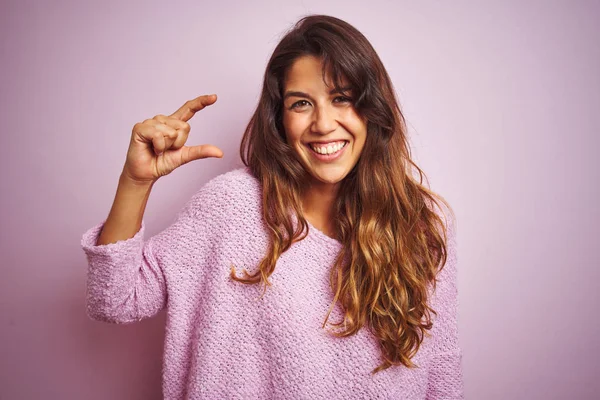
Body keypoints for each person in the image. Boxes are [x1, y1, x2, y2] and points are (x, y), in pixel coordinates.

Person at [81, 14, 464, 400]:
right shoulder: (232, 208)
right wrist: (135, 182)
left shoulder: (421, 223)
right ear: (279, 119)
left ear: (371, 109)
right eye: (301, 103)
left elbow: (443, 372)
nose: (323, 124)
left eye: (342, 98)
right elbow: (114, 300)